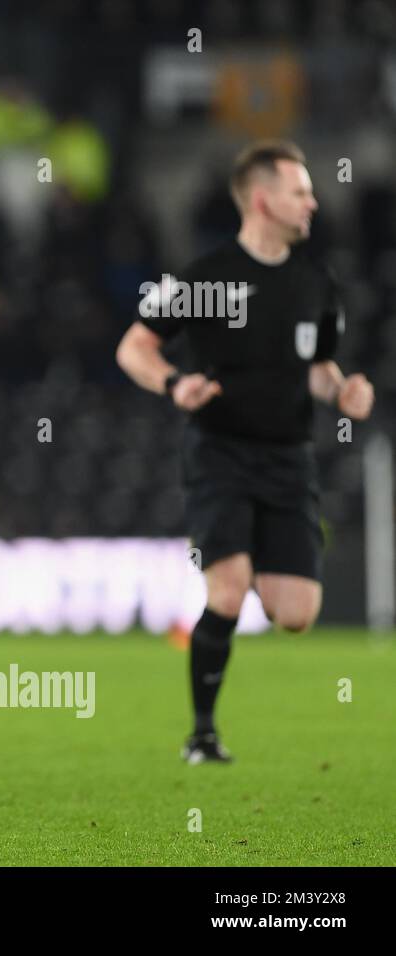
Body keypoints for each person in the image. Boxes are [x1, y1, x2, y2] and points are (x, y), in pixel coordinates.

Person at [115, 140, 374, 764]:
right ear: (262, 199)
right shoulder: (202, 279)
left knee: (296, 613)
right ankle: (202, 734)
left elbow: (317, 368)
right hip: (220, 454)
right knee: (227, 594)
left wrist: (343, 389)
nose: (313, 201)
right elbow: (134, 348)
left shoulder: (316, 282)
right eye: (300, 191)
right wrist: (175, 383)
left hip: (289, 458)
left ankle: (247, 557)